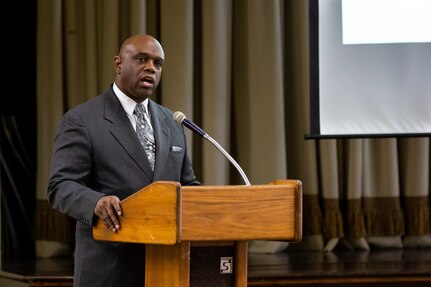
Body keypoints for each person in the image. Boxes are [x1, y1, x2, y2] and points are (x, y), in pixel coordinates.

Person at [47, 34, 200, 287]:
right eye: (142, 59)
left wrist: (212, 203)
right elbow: (60, 185)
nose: (151, 67)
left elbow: (187, 184)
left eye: (158, 63)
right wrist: (96, 202)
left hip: (167, 268)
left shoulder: (171, 122)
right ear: (119, 64)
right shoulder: (83, 120)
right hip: (109, 269)